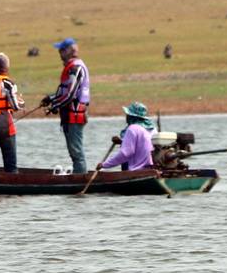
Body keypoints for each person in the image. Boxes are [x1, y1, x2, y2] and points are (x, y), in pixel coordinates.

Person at [41, 37, 90, 173]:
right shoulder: (71, 68)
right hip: (70, 115)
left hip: (75, 115)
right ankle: (79, 175)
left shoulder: (76, 68)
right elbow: (64, 91)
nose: (60, 53)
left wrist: (55, 106)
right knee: (74, 152)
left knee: (76, 152)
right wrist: (51, 99)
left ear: (70, 51)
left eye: (62, 50)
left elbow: (71, 95)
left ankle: (80, 178)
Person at [102, 102, 155, 171]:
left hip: (137, 168)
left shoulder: (132, 128)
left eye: (128, 114)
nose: (126, 116)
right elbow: (141, 144)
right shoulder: (152, 128)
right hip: (150, 165)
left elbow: (125, 153)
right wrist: (122, 142)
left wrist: (104, 165)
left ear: (131, 116)